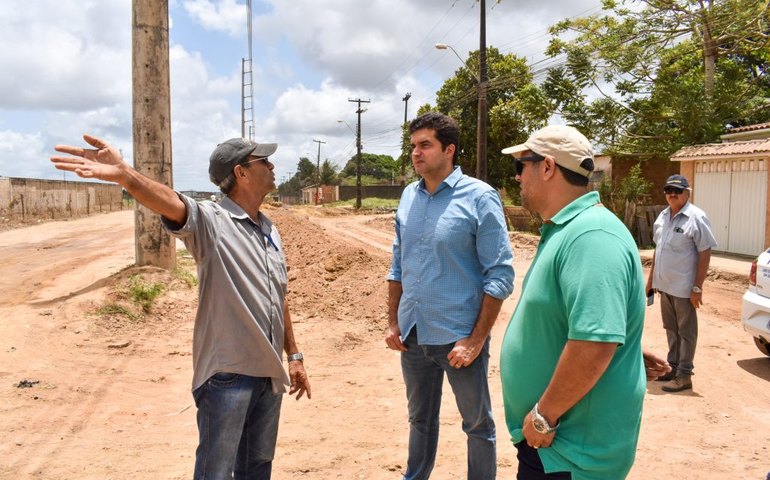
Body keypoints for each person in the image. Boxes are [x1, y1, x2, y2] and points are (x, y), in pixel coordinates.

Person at [51, 135, 311, 479]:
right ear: (241, 173)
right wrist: (126, 174)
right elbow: (172, 203)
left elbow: (278, 296)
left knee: (257, 468)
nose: (272, 165)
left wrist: (293, 356)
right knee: (215, 473)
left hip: (269, 375)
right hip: (228, 376)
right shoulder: (211, 221)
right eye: (263, 161)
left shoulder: (269, 229)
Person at [499, 125, 646, 479]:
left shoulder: (590, 236)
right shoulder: (570, 229)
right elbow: (591, 325)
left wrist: (543, 417)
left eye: (521, 166)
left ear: (547, 167)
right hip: (558, 447)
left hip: (568, 452)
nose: (517, 177)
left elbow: (594, 344)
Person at [385, 112, 514, 480]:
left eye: (425, 145)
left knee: (477, 425)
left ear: (450, 149)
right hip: (413, 335)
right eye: (413, 146)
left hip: (458, 339)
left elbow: (500, 273)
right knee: (420, 419)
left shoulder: (479, 197)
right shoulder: (409, 196)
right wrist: (393, 321)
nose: (416, 153)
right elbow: (397, 264)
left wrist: (475, 340)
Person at [646, 174, 717, 393]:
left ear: (688, 192)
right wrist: (651, 281)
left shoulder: (696, 217)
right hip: (664, 286)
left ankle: (685, 375)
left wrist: (697, 287)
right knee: (671, 329)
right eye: (668, 190)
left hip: (684, 288)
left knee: (686, 332)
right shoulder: (663, 216)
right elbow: (659, 250)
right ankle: (672, 368)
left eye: (677, 190)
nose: (672, 194)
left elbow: (705, 252)